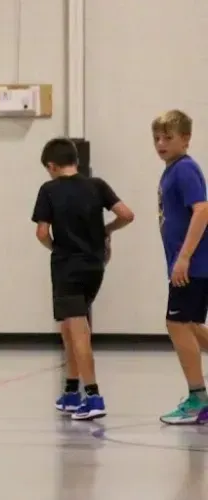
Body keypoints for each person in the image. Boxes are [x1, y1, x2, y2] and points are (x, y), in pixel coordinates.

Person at [30, 138, 134, 421]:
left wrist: (57, 248)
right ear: (75, 160)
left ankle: (94, 395)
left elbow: (41, 233)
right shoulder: (97, 185)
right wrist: (106, 230)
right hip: (95, 267)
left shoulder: (49, 190)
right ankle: (71, 391)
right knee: (69, 326)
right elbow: (126, 214)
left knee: (78, 332)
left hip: (67, 268)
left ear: (51, 166)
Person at [153, 109, 208, 425]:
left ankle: (198, 397)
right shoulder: (172, 170)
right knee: (191, 327)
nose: (161, 143)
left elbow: (202, 211)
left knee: (177, 325)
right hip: (191, 265)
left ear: (186, 139)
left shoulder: (185, 169)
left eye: (168, 138)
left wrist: (184, 257)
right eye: (157, 138)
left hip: (193, 265)